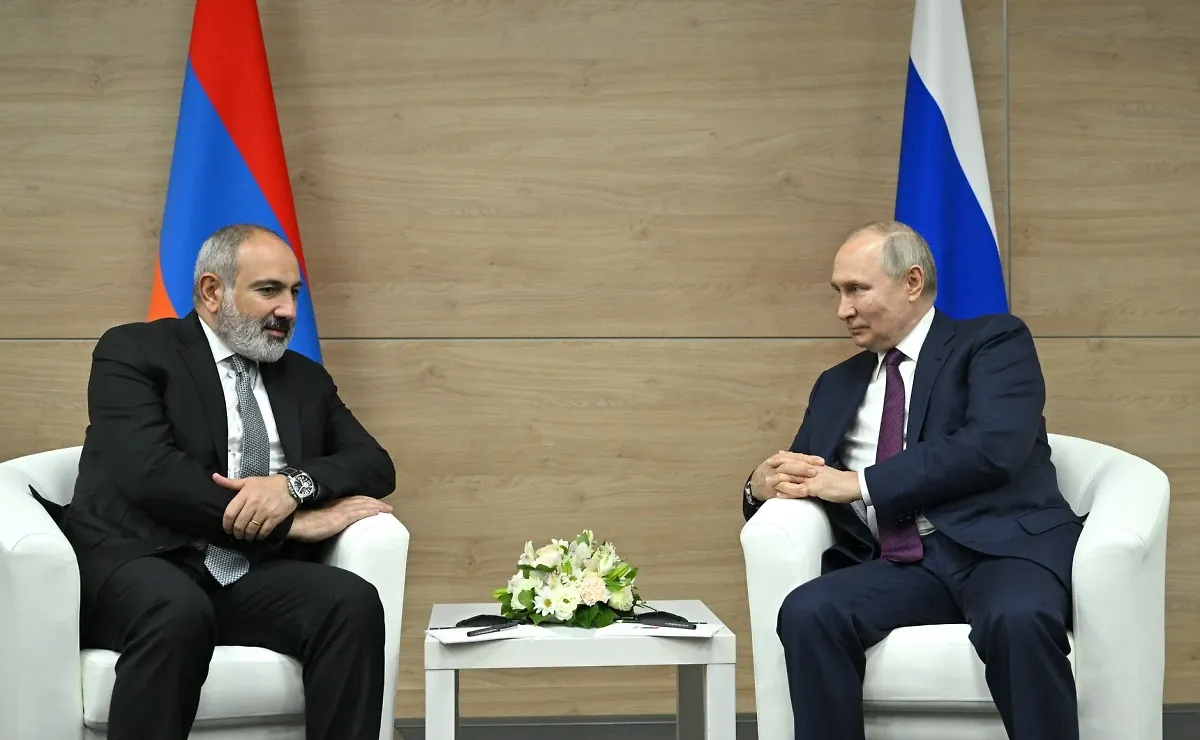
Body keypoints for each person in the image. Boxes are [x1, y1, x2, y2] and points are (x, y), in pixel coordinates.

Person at [741, 221, 1083, 740]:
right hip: (904, 564)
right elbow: (809, 474)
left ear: (913, 281)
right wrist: (760, 486)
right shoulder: (837, 383)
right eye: (837, 292)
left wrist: (861, 483)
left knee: (1017, 618)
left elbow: (991, 447)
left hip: (1003, 550)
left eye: (857, 289)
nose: (843, 310)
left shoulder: (993, 342)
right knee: (809, 611)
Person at [62, 223, 397, 740]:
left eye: (294, 293)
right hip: (140, 559)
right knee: (177, 610)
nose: (288, 310)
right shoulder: (133, 351)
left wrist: (290, 487)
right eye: (269, 290)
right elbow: (151, 473)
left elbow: (374, 463)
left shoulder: (304, 378)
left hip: (242, 572)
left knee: (349, 601)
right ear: (212, 291)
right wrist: (286, 526)